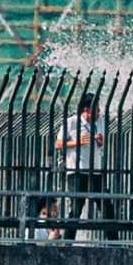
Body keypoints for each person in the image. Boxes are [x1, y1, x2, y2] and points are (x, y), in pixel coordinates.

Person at [55, 91, 110, 236]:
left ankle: (116, 243)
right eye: (96, 110)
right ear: (86, 110)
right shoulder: (71, 122)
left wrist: (100, 142)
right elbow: (57, 144)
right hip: (76, 172)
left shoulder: (100, 122)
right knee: (76, 209)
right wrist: (76, 142)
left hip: (95, 171)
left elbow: (101, 145)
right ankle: (68, 243)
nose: (98, 113)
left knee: (107, 207)